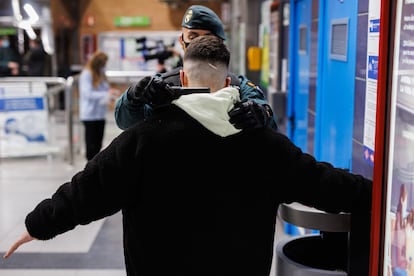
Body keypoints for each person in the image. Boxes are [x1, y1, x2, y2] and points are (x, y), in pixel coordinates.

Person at [3, 36, 372, 276]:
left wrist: (37, 225)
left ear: (181, 78)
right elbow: (325, 183)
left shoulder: (143, 141)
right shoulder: (264, 145)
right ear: (229, 84)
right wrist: (381, 194)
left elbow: (87, 190)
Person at [114, 4, 278, 131]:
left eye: (207, 37)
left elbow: (268, 119)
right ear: (181, 41)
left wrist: (262, 114)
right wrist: (133, 97)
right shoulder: (162, 86)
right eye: (192, 36)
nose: (199, 42)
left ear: (220, 43)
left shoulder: (239, 87)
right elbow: (125, 122)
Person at [78, 50, 119, 160]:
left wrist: (110, 94)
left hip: (100, 114)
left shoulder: (101, 74)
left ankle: (95, 169)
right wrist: (106, 94)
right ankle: (89, 170)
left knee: (98, 145)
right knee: (91, 146)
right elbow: (87, 94)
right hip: (90, 115)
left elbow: (103, 91)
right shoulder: (87, 74)